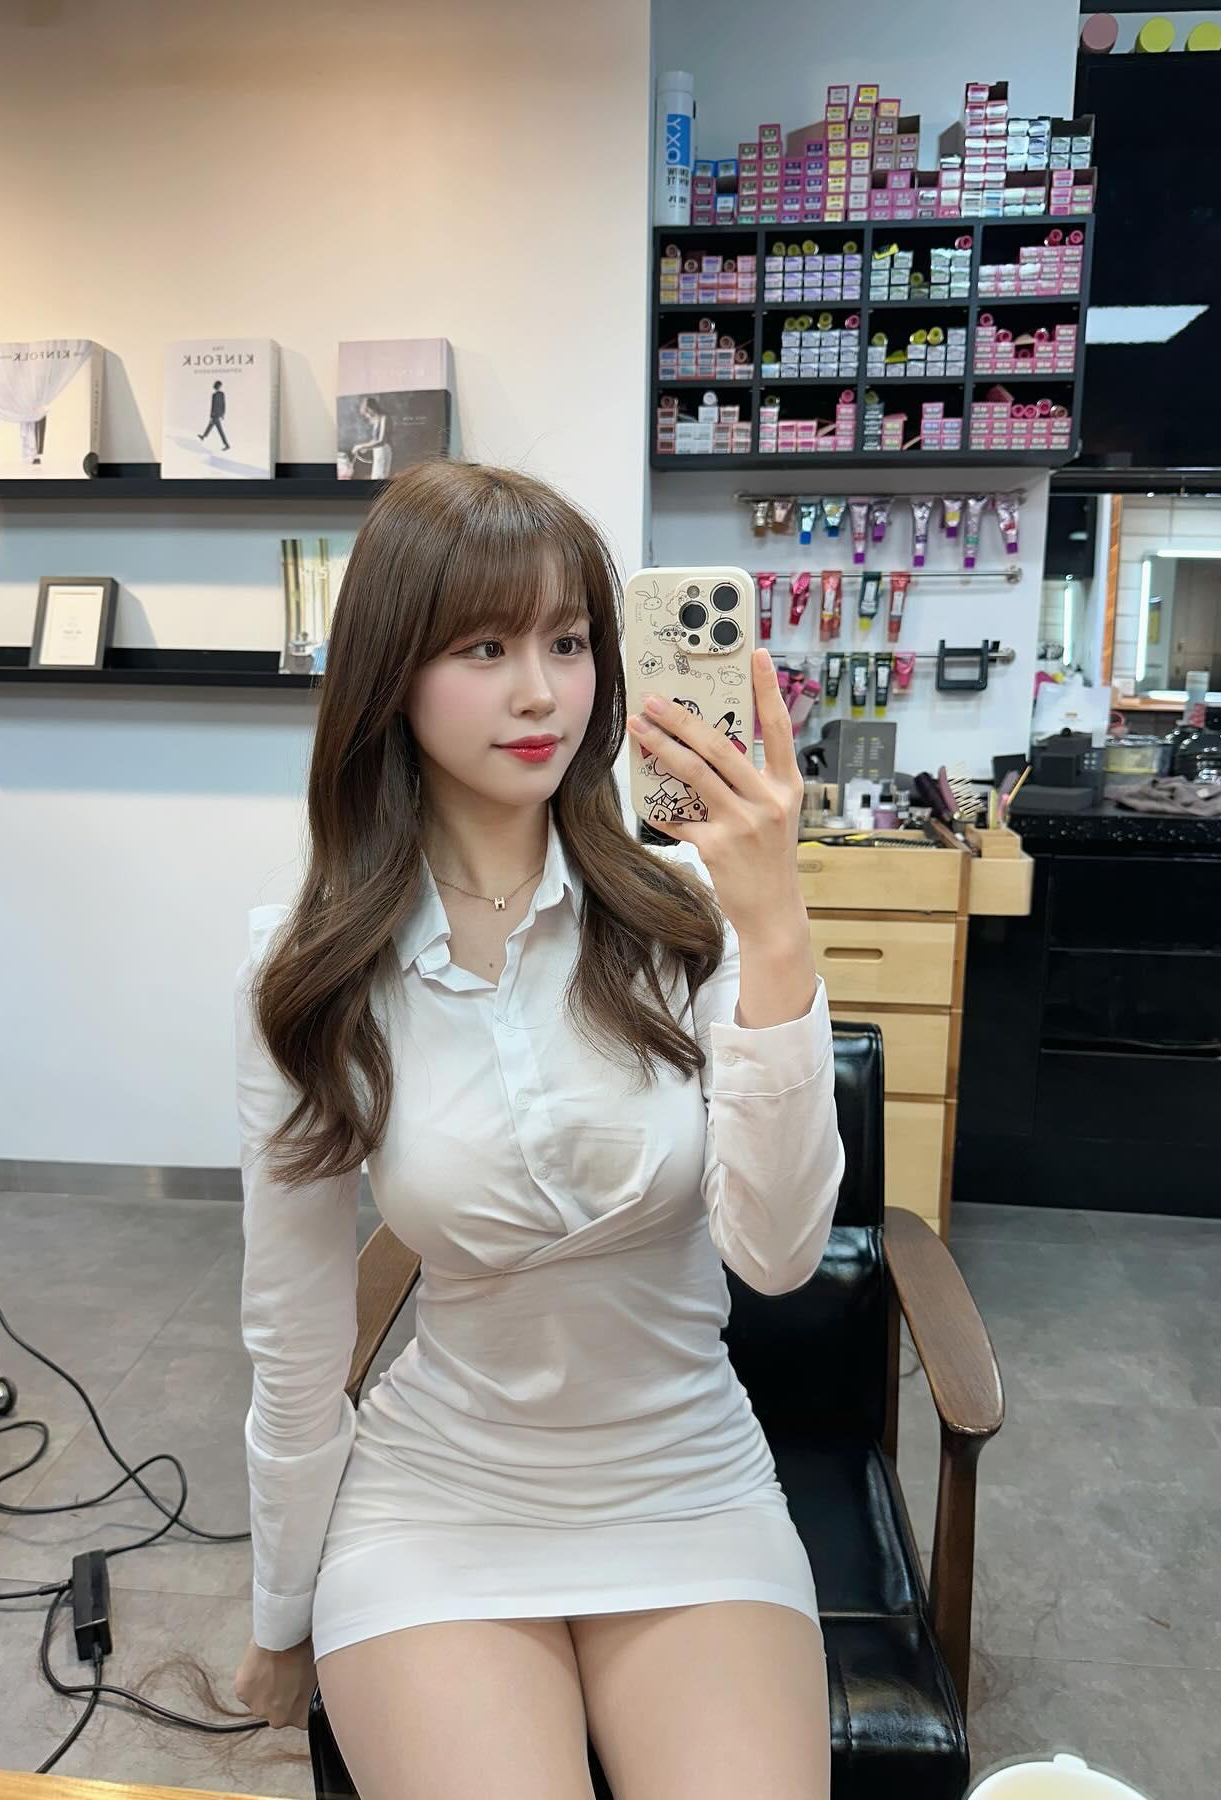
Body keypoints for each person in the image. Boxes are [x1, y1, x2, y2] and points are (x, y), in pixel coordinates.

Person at [230, 460, 843, 1799]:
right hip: (440, 1498)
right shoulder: (312, 973)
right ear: (391, 672)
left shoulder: (690, 918)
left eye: (568, 643)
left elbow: (779, 1254)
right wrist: (281, 1609)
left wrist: (777, 922)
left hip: (688, 1481)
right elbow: (295, 1330)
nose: (540, 694)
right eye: (483, 648)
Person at [349, 393, 392, 478]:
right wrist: (366, 447)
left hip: (383, 451)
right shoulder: (377, 420)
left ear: (371, 409)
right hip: (378, 451)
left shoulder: (384, 418)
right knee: (376, 476)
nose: (367, 416)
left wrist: (361, 446)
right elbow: (375, 440)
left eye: (367, 413)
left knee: (380, 476)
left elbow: (381, 441)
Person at [200, 378, 230, 451]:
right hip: (218, 414)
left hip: (215, 415)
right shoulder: (220, 394)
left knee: (220, 430)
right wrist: (222, 414)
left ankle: (227, 445)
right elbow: (223, 404)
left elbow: (215, 406)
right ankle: (203, 436)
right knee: (210, 425)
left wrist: (212, 416)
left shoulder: (217, 395)